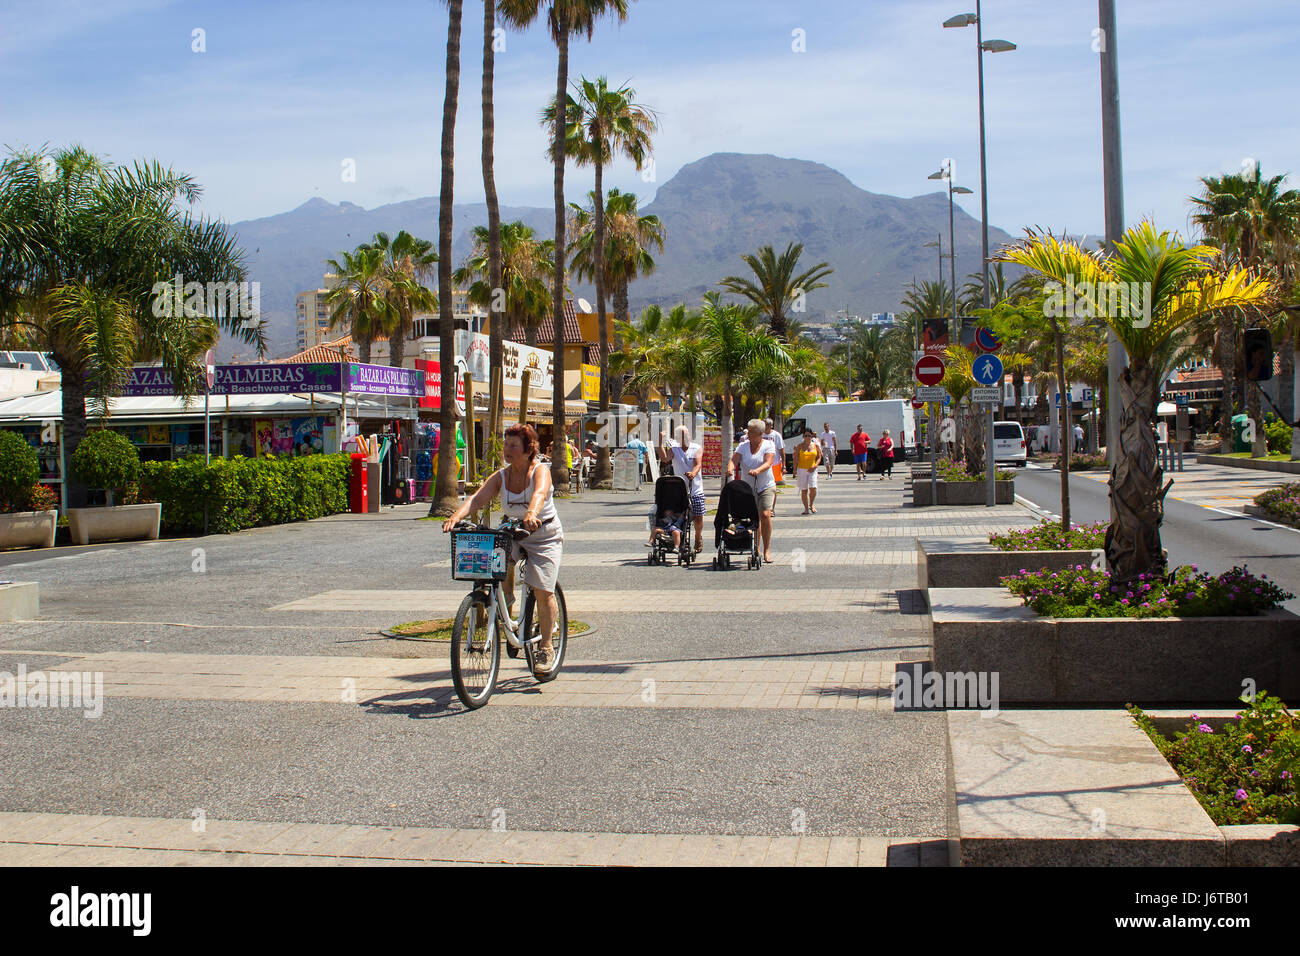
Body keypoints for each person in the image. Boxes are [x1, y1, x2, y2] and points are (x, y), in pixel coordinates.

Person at [442, 423, 563, 675]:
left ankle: (547, 646)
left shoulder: (539, 470)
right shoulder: (502, 476)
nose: (507, 450)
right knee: (496, 564)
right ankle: (507, 605)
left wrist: (531, 512)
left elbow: (540, 493)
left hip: (543, 534)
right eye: (506, 444)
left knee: (542, 591)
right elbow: (476, 498)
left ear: (528, 448)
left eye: (513, 445)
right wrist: (456, 516)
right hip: (513, 532)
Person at [729, 419, 777, 563]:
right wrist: (730, 468)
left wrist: (757, 470)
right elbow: (734, 460)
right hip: (747, 488)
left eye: (751, 432)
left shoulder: (769, 445)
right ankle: (756, 548)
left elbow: (768, 462)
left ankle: (767, 549)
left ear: (760, 434)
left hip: (765, 485)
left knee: (765, 514)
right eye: (748, 431)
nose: (748, 434)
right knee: (753, 518)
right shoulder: (743, 446)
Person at [663, 425, 706, 553]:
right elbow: (665, 459)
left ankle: (698, 537)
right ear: (677, 438)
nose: (686, 437)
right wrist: (660, 442)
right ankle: (678, 538)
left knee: (698, 517)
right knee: (677, 516)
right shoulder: (674, 449)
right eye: (683, 436)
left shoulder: (696, 448)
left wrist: (693, 473)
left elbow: (698, 464)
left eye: (687, 435)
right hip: (679, 490)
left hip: (695, 488)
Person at [793, 428, 822, 514]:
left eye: (809, 435)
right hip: (802, 469)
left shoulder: (816, 446)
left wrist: (815, 465)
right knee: (804, 490)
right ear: (803, 437)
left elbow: (819, 457)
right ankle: (806, 509)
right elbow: (795, 459)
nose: (807, 437)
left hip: (812, 469)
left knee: (813, 488)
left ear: (812, 436)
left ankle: (811, 504)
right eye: (805, 435)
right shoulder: (800, 446)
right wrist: (794, 470)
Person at [763, 419, 785, 485]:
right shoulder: (760, 434)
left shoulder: (776, 435)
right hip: (763, 464)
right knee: (764, 483)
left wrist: (783, 466)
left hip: (775, 464)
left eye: (766, 424)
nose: (764, 426)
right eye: (763, 424)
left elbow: (782, 451)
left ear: (771, 425)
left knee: (774, 484)